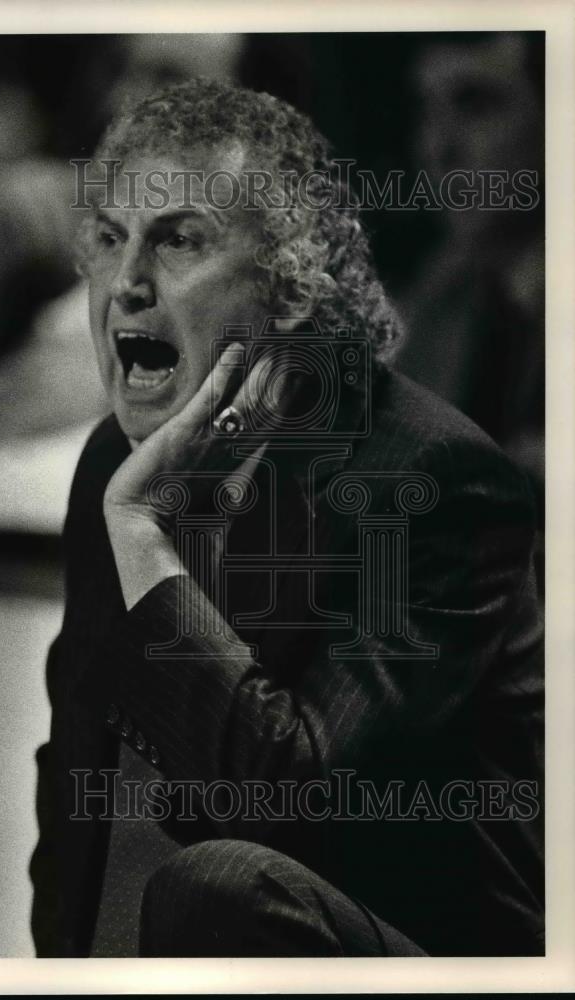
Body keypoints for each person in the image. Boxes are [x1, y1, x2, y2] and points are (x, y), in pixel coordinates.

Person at [29, 79, 543, 958]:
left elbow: (290, 802)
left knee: (217, 884)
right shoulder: (113, 466)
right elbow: (78, 795)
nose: (124, 285)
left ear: (290, 284)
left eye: (178, 239)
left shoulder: (426, 481)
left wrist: (145, 539)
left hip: (424, 955)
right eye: (109, 240)